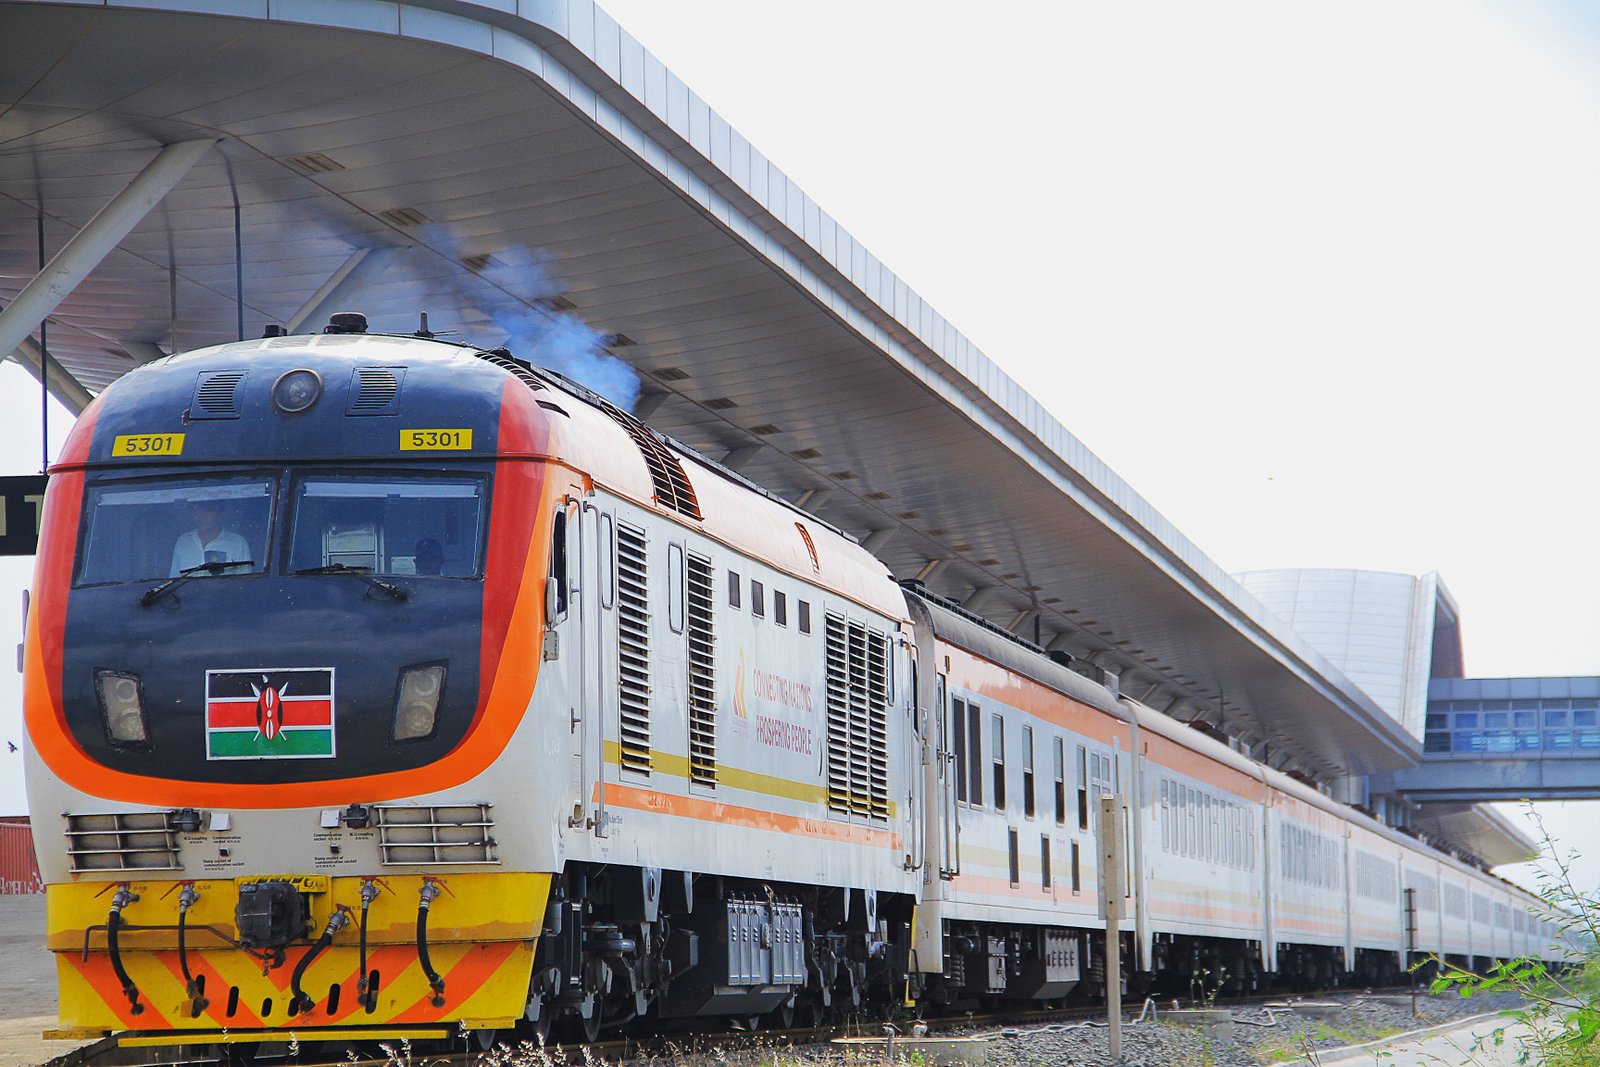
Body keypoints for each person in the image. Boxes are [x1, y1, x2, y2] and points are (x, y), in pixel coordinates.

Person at [170, 500, 252, 575]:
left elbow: (244, 583)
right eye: (196, 510)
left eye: (207, 510)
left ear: (220, 514)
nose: (201, 515)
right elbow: (174, 579)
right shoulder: (183, 541)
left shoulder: (238, 543)